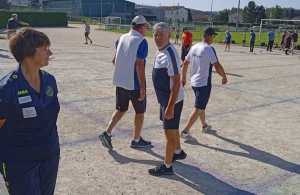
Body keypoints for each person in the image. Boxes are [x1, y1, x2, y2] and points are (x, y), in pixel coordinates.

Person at [0, 27, 60, 195]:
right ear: (28, 53)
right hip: (19, 162)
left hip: (49, 155)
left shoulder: (50, 81)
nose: (50, 53)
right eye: (45, 49)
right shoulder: (7, 89)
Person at [98, 15, 151, 150]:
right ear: (142, 27)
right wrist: (143, 88)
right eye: (146, 27)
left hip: (120, 82)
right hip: (134, 84)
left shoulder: (121, 38)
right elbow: (140, 65)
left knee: (121, 109)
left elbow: (114, 60)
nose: (146, 30)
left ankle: (107, 132)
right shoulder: (141, 42)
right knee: (140, 112)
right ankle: (136, 140)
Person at [148, 22, 187, 176]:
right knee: (173, 128)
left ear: (168, 35)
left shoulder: (170, 53)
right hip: (165, 99)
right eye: (155, 34)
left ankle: (167, 166)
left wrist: (170, 107)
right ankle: (178, 152)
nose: (158, 38)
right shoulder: (161, 51)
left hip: (172, 100)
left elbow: (177, 82)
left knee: (169, 133)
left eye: (161, 35)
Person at [180, 27, 227, 141]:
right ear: (210, 36)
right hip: (203, 83)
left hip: (194, 82)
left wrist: (184, 78)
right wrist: (224, 76)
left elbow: (185, 63)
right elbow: (217, 65)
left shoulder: (194, 47)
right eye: (213, 36)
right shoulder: (208, 49)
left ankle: (204, 125)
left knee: (201, 105)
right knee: (198, 107)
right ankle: (185, 131)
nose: (213, 38)